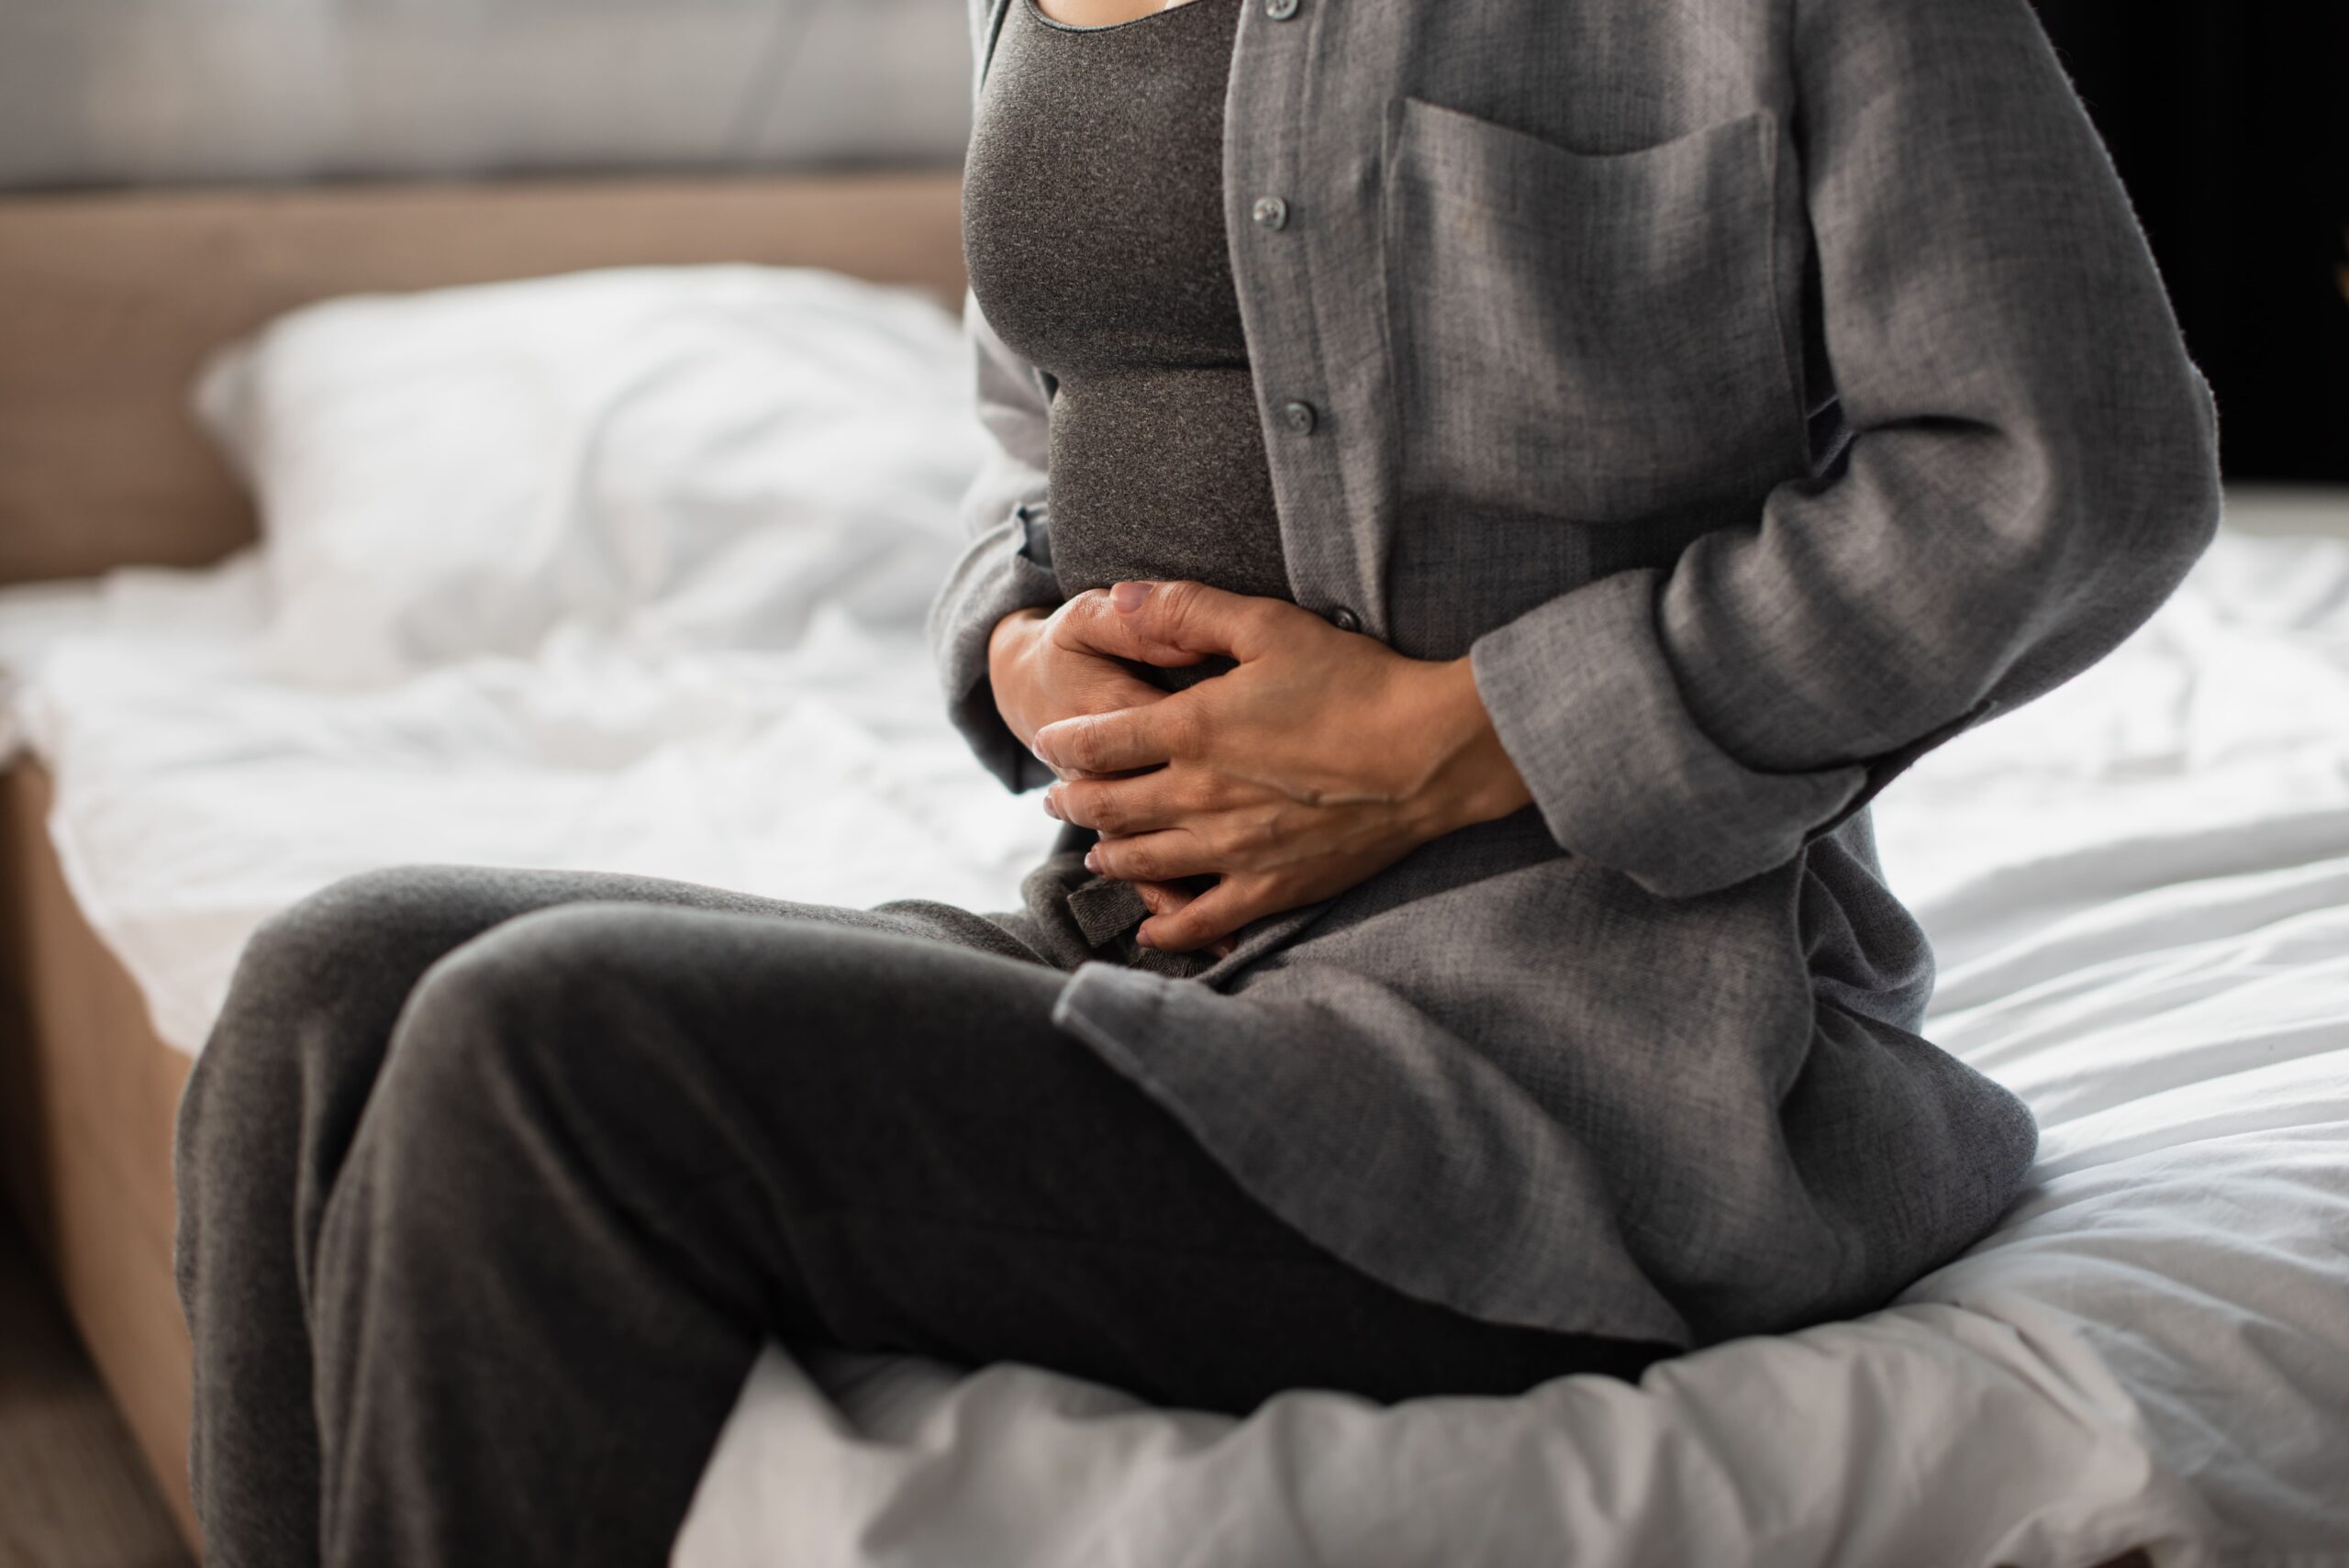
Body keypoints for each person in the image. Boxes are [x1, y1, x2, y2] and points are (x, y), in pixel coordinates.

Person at [173, 0, 2222, 1562]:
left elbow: (2074, 468)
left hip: (1554, 1054)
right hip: (1140, 965)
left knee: (547, 1053)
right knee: (329, 985)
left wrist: (1465, 735)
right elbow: (1033, 435)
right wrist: (1014, 641)